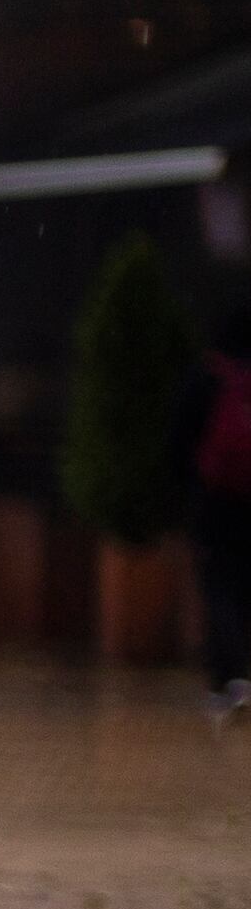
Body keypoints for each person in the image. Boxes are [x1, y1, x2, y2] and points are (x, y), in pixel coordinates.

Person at [195, 303, 251, 720]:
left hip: (214, 502)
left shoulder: (206, 380)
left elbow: (178, 444)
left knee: (218, 587)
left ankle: (230, 679)